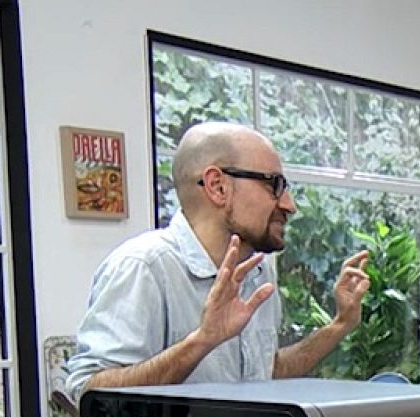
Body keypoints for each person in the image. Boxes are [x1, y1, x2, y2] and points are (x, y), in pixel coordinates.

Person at [64, 122, 370, 401]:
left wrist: (340, 324)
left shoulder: (258, 271)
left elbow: (266, 374)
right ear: (217, 186)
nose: (289, 205)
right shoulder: (143, 267)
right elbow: (88, 395)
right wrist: (202, 341)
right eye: (274, 185)